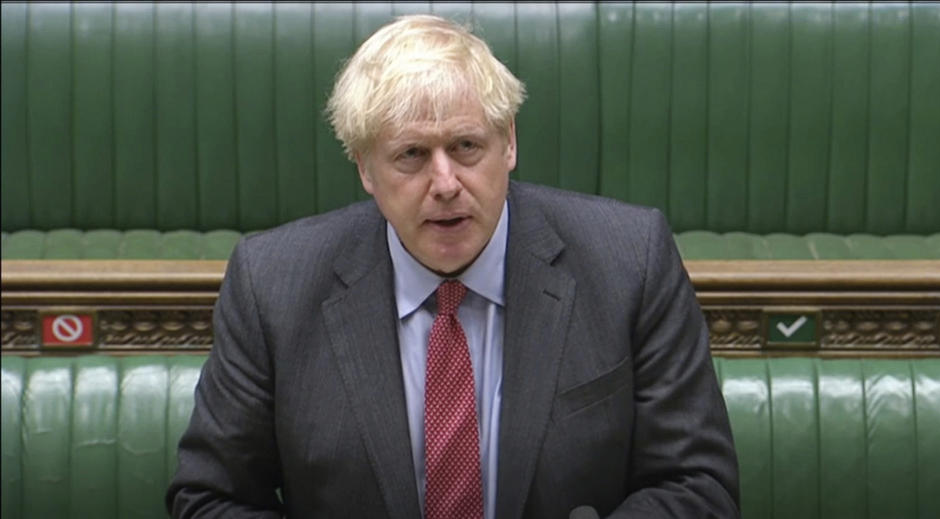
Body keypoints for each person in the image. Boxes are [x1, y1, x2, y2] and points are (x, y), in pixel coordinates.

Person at [167, 14, 739, 519]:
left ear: (508, 142)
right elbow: (210, 497)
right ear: (366, 168)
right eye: (411, 155)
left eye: (467, 147)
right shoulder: (272, 284)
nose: (445, 184)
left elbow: (698, 485)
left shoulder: (629, 260)